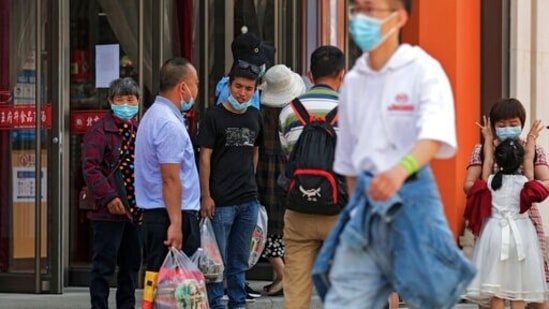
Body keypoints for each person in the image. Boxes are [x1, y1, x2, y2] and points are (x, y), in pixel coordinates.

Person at [316, 0, 476, 308]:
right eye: (357, 9)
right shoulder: (353, 82)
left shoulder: (422, 70)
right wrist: (355, 210)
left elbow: (433, 134)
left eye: (370, 10)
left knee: (431, 296)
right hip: (365, 196)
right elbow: (348, 159)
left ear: (399, 17)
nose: (361, 17)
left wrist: (400, 170)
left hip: (412, 192)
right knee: (344, 298)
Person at [463, 98, 549, 309]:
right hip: (499, 221)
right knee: (517, 283)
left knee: (503, 284)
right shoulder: (482, 150)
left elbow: (543, 178)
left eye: (513, 123)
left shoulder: (531, 149)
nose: (508, 129)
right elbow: (469, 184)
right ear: (493, 125)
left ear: (522, 122)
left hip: (521, 220)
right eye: (501, 125)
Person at [277, 45, 344, 309]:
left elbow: (288, 158)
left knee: (295, 291)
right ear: (343, 74)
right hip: (340, 212)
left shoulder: (288, 112)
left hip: (299, 212)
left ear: (309, 74)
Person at [134, 57, 201, 306]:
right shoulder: (168, 123)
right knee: (176, 292)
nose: (196, 90)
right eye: (194, 84)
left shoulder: (153, 115)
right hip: (170, 214)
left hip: (159, 213)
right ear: (182, 87)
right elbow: (170, 178)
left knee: (161, 286)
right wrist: (176, 223)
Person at [197, 63, 264, 309]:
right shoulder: (213, 116)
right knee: (216, 261)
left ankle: (238, 303)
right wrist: (206, 195)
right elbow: (204, 157)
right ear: (228, 86)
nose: (242, 93)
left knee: (239, 261)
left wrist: (251, 183)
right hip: (220, 202)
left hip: (248, 201)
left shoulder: (256, 116)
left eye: (249, 89)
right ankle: (216, 303)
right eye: (238, 87)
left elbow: (255, 153)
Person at [82, 77, 143, 309]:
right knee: (103, 267)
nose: (126, 104)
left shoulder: (141, 129)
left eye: (131, 99)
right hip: (108, 212)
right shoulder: (100, 130)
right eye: (121, 99)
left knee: (130, 267)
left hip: (136, 210)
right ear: (110, 101)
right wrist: (109, 197)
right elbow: (90, 167)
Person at [256, 64, 306, 296]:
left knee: (266, 225)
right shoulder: (295, 114)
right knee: (277, 224)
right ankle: (281, 275)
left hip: (265, 171)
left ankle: (282, 274)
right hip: (287, 171)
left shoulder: (262, 115)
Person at [215, 26, 275, 110]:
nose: (243, 93)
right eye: (259, 63)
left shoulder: (252, 85)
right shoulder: (229, 94)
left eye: (249, 89)